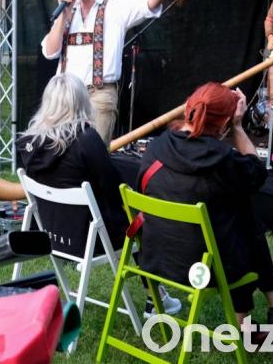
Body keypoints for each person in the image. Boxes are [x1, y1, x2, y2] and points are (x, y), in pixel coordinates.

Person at [137, 82, 273, 334]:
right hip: (204, 269)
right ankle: (247, 323)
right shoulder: (221, 160)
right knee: (242, 214)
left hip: (156, 260)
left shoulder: (156, 147)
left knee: (236, 209)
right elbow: (256, 172)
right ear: (223, 124)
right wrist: (237, 127)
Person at [16, 73, 180, 317]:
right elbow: (113, 189)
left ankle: (157, 297)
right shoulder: (86, 139)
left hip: (50, 235)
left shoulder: (28, 143)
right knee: (142, 221)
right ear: (82, 101)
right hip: (87, 240)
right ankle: (155, 300)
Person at [41, 0, 199, 147]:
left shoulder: (116, 8)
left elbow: (149, 2)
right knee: (56, 153)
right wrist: (64, 15)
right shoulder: (68, 10)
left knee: (91, 158)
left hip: (97, 96)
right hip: (64, 97)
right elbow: (49, 52)